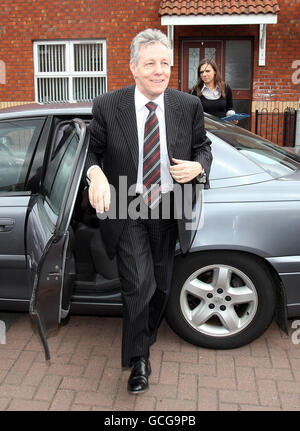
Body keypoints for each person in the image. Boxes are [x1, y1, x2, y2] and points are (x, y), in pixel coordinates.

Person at [85, 28, 212, 395]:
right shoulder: (109, 105)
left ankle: (145, 333)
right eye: (151, 63)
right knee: (138, 284)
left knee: (161, 286)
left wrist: (198, 167)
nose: (160, 70)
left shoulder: (188, 106)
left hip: (171, 206)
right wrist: (94, 175)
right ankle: (138, 360)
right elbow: (92, 152)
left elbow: (204, 147)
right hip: (127, 202)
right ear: (133, 68)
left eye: (165, 63)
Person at [191, 58, 237, 122]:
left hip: (222, 129)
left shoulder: (225, 88)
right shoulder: (195, 91)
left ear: (215, 71)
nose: (204, 74)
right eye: (201, 72)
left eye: (207, 71)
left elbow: (229, 108)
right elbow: (191, 113)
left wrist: (232, 116)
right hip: (204, 130)